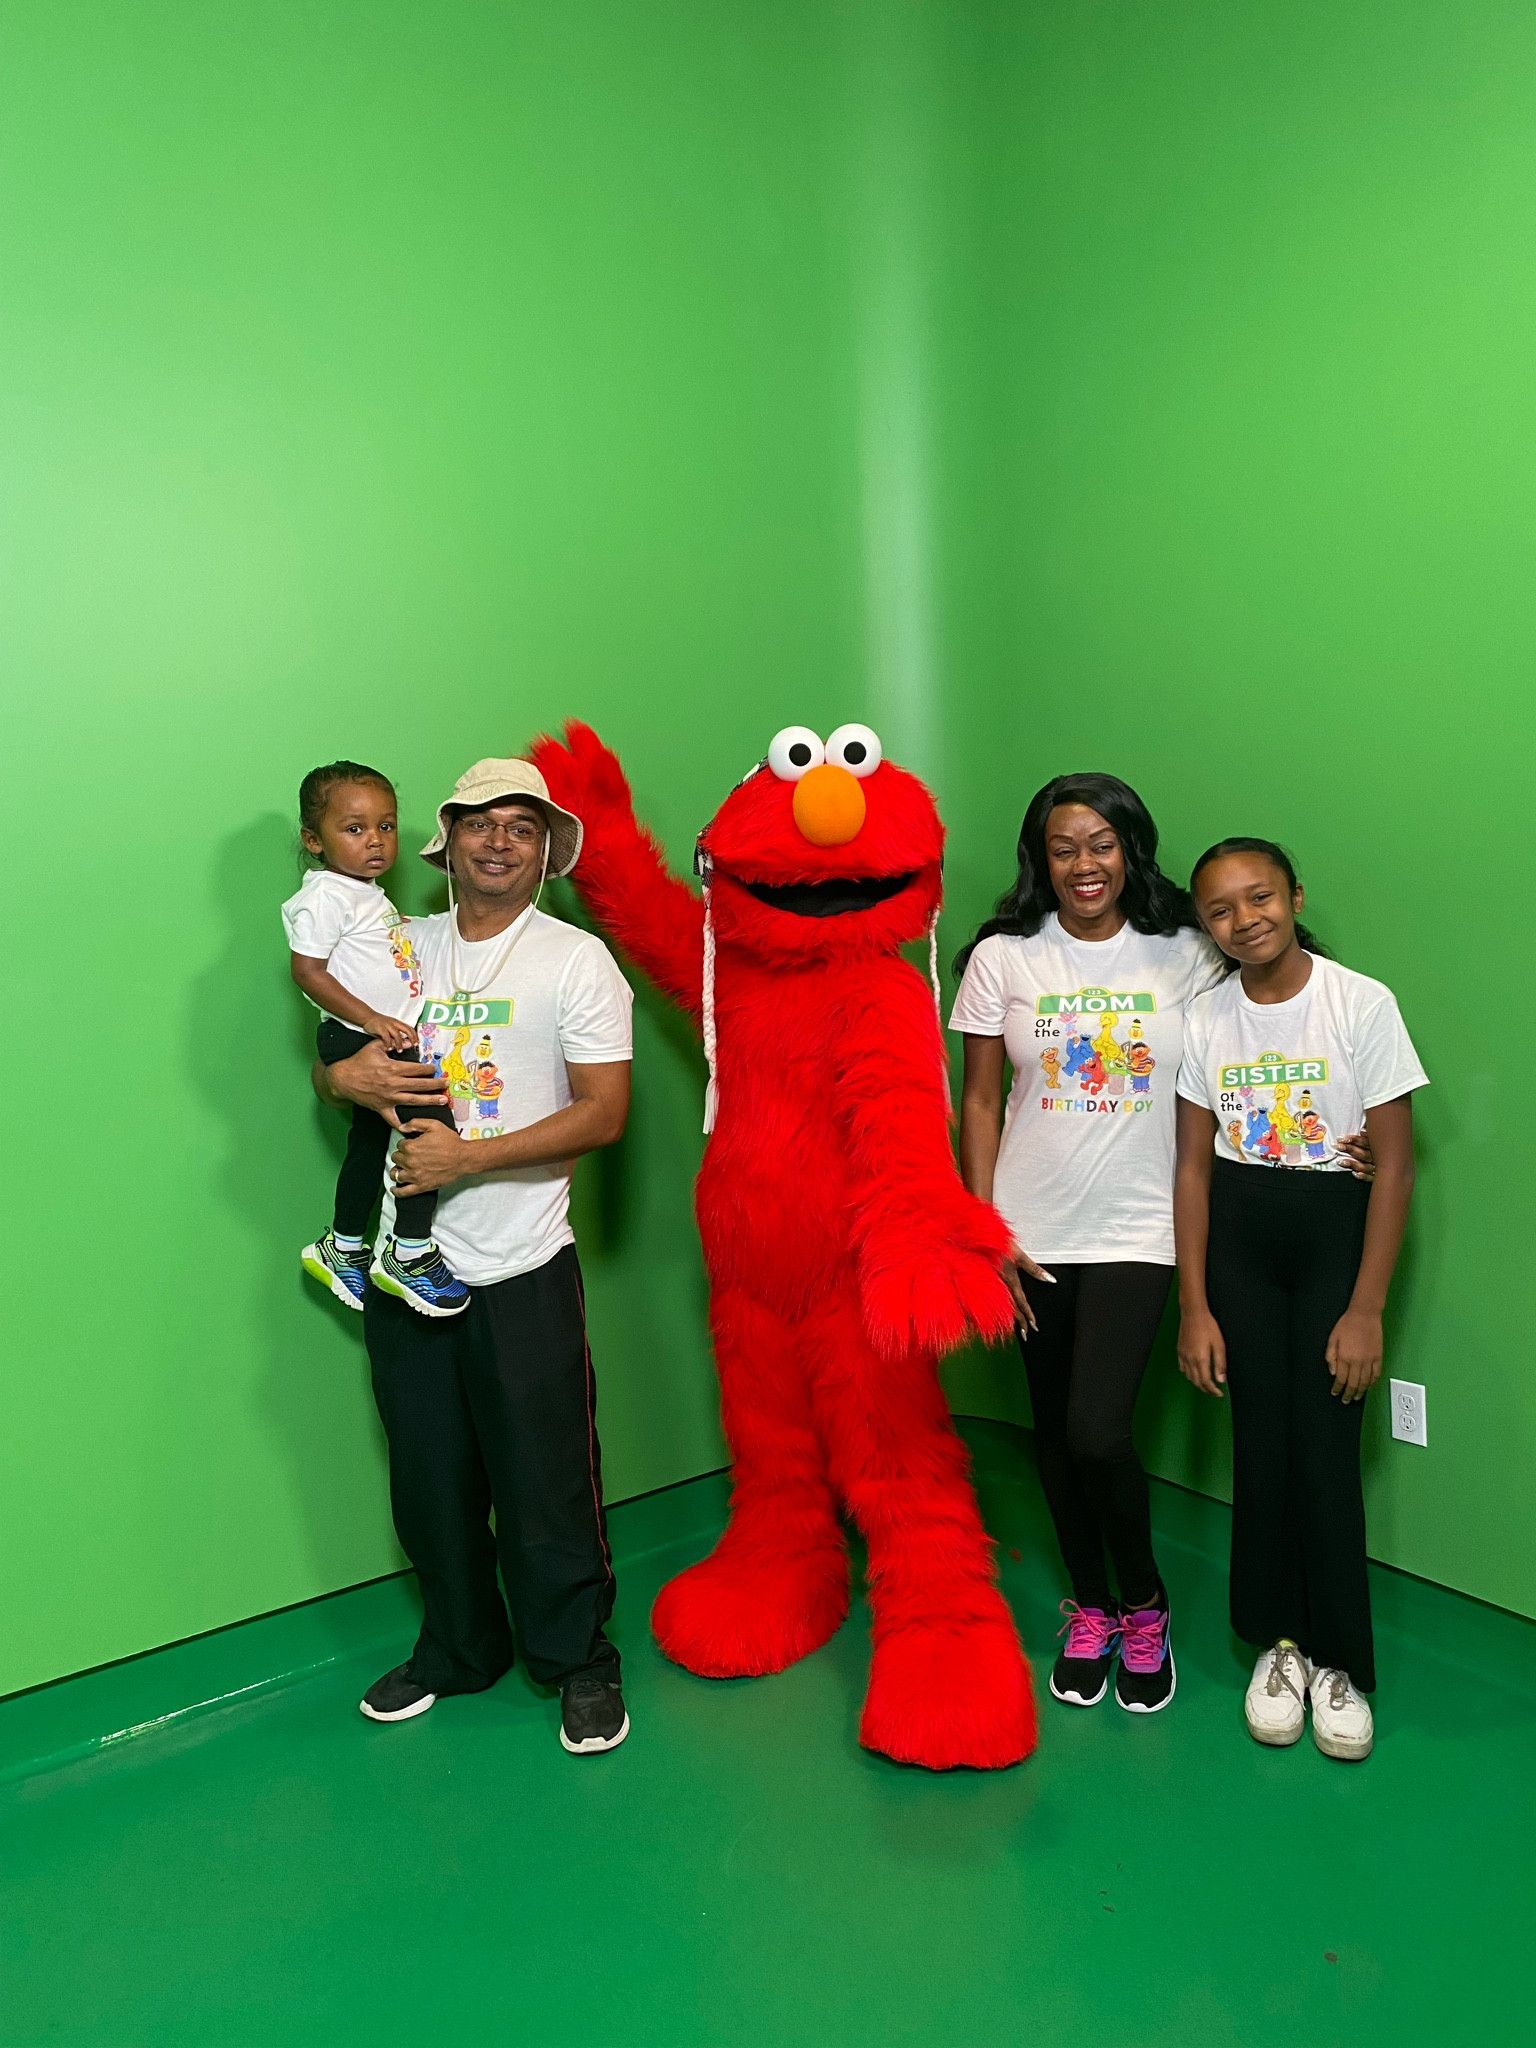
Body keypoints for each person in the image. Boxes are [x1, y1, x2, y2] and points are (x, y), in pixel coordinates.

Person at [315, 756, 636, 1756]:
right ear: (447, 840)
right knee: (430, 1479)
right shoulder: (397, 943)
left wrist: (468, 1156)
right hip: (406, 1270)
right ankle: (459, 1648)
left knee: (546, 1481)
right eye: (481, 822)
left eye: (522, 827)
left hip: (521, 1263)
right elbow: (333, 1057)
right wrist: (344, 1080)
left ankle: (576, 1658)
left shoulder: (576, 960)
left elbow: (605, 1111)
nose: (500, 840)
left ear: (544, 853)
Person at [951, 774, 1228, 1717]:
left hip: (1141, 1225)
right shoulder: (1004, 958)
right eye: (1063, 847)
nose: (1084, 864)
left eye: (1101, 844)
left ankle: (1144, 1605)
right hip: (1030, 1230)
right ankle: (1093, 1608)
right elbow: (980, 1101)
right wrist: (983, 1231)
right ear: (1041, 858)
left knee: (1096, 1430)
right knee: (1054, 1437)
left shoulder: (1186, 953)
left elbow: (1268, 1020)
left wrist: (1347, 1130)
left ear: (1130, 849)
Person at [1174, 838, 1426, 1763]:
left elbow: (1396, 1166)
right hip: (1241, 1238)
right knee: (1262, 1445)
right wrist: (1195, 1307)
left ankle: (1338, 1663)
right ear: (1206, 926)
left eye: (1260, 897)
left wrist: (1366, 1308)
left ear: (1295, 897)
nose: (1245, 919)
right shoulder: (1205, 1018)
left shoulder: (1360, 1002)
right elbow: (1192, 1169)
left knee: (1323, 1449)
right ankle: (1278, 1645)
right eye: (1221, 909)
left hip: (1330, 1232)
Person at [283, 761, 467, 1318]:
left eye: (386, 826)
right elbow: (307, 971)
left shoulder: (363, 895)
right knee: (434, 1130)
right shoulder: (325, 896)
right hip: (360, 1037)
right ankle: (408, 1252)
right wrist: (371, 1021)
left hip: (373, 1036)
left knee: (369, 1144)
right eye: (354, 828)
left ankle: (342, 1245)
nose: (376, 841)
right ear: (314, 840)